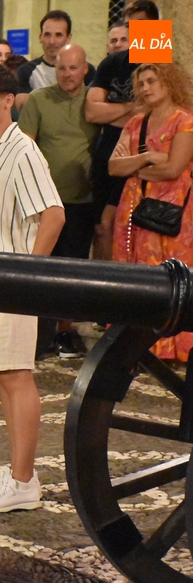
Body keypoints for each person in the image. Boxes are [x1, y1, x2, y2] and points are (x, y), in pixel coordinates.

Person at [0, 64, 65, 513]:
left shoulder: (22, 150)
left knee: (16, 376)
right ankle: (20, 470)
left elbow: (54, 214)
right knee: (1, 376)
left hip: (9, 283)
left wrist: (28, 276)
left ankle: (23, 482)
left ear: (9, 99)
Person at [18, 44, 99, 359]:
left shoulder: (95, 101)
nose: (67, 74)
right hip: (44, 202)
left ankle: (65, 331)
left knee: (73, 268)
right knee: (40, 266)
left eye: (73, 68)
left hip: (82, 200)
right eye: (62, 68)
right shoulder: (39, 99)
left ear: (85, 69)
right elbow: (24, 147)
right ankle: (36, 331)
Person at [109, 63, 193, 362]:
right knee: (135, 270)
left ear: (168, 82)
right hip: (134, 206)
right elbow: (113, 167)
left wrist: (135, 167)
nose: (145, 87)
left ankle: (170, 344)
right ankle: (135, 340)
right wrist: (147, 157)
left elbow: (173, 168)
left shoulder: (185, 121)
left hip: (173, 208)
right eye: (141, 82)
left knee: (171, 274)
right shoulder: (136, 123)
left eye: (152, 81)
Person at [86, 1, 160, 261]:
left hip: (146, 153)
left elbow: (158, 113)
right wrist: (132, 108)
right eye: (130, 26)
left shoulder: (162, 64)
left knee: (136, 227)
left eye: (141, 25)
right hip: (110, 150)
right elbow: (92, 112)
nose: (134, 31)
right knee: (102, 227)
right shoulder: (112, 63)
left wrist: (115, 110)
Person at [15, 10, 95, 110]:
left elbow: (92, 105)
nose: (52, 41)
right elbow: (22, 106)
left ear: (68, 38)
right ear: (40, 37)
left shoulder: (84, 69)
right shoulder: (26, 70)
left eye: (58, 35)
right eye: (47, 35)